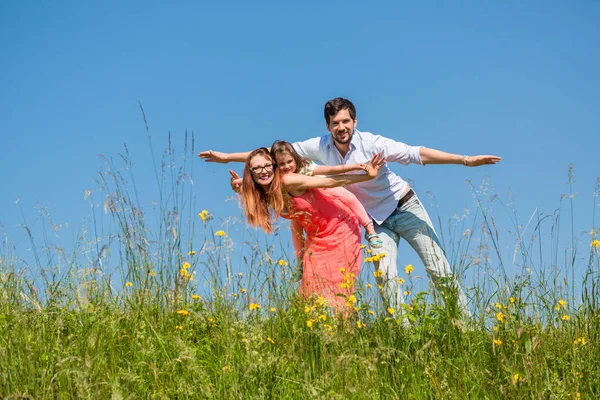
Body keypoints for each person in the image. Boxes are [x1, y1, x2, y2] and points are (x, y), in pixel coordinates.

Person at [199, 97, 501, 317]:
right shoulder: (317, 146)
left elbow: (416, 153)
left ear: (354, 122)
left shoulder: (372, 143)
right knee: (384, 276)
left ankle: (466, 325)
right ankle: (405, 334)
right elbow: (269, 155)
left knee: (438, 267)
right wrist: (226, 158)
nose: (341, 127)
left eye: (345, 121)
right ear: (328, 126)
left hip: (404, 206)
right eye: (335, 123)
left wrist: (464, 160)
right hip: (373, 220)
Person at [239, 147, 385, 311]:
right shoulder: (268, 192)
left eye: (266, 166)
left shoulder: (290, 180)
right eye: (257, 168)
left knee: (338, 288)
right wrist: (238, 182)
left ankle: (344, 330)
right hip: (316, 237)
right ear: (250, 172)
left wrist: (367, 175)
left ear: (273, 167)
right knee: (309, 290)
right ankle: (315, 333)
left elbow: (330, 181)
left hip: (340, 227)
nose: (263, 171)